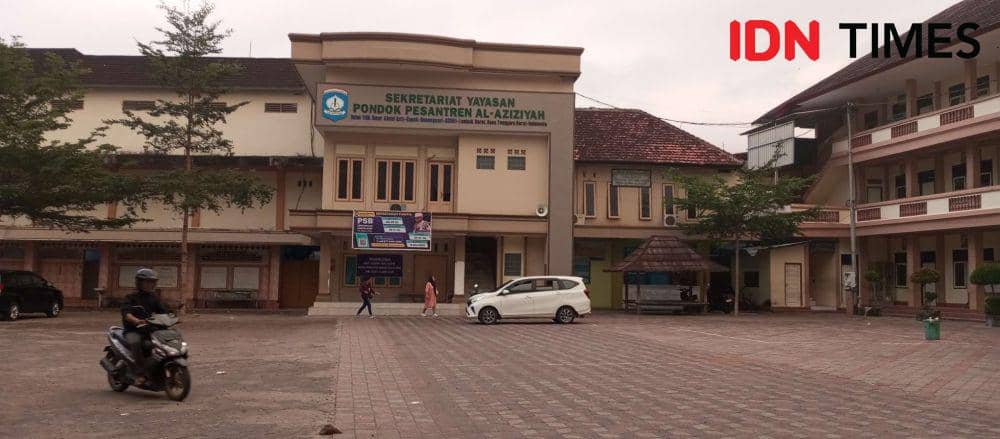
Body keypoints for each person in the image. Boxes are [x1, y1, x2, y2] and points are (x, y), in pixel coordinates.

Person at [121, 268, 170, 384]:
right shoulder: (131, 297)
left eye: (152, 282)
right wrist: (136, 320)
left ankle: (156, 369)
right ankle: (140, 373)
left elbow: (163, 311)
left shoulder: (154, 298)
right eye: (147, 282)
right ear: (139, 282)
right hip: (133, 330)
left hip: (149, 330)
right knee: (136, 342)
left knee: (163, 344)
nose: (150, 285)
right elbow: (126, 314)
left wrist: (171, 318)